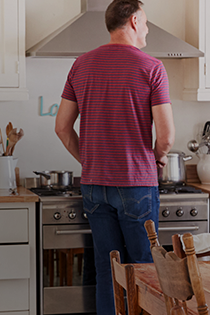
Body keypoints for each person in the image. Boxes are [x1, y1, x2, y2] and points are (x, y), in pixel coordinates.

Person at [54, 1, 175, 314]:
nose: (147, 29)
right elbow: (167, 137)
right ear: (134, 21)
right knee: (145, 268)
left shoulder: (81, 65)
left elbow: (62, 128)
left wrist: (90, 161)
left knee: (107, 268)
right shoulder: (151, 67)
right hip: (136, 183)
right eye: (146, 22)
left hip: (94, 185)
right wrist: (158, 158)